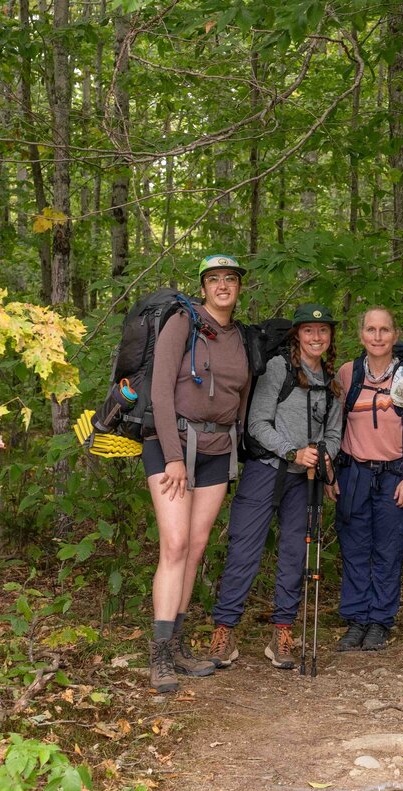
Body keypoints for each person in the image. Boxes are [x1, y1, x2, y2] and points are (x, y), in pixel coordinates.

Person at [208, 303, 342, 671]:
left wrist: (325, 456)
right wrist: (292, 452)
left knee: (294, 556)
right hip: (266, 471)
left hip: (307, 482)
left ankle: (282, 631)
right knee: (243, 550)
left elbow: (333, 433)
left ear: (330, 338)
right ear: (297, 335)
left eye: (323, 331)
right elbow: (257, 423)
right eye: (309, 331)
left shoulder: (332, 382)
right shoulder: (279, 369)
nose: (316, 337)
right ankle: (224, 630)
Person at [145, 254, 251, 693]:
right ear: (203, 287)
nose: (222, 285)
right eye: (214, 279)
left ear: (239, 287)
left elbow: (242, 393)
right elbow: (160, 390)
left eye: (230, 278)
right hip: (172, 447)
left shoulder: (240, 337)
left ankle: (179, 644)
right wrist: (172, 456)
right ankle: (160, 654)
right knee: (174, 543)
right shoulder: (182, 323)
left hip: (217, 450)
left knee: (196, 546)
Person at [334, 307, 403, 652]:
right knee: (354, 550)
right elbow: (332, 426)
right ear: (361, 334)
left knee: (388, 551)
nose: (378, 336)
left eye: (384, 330)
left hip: (395, 474)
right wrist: (329, 473)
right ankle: (356, 620)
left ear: (395, 335)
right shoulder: (347, 374)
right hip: (354, 473)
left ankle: (380, 621)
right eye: (371, 329)